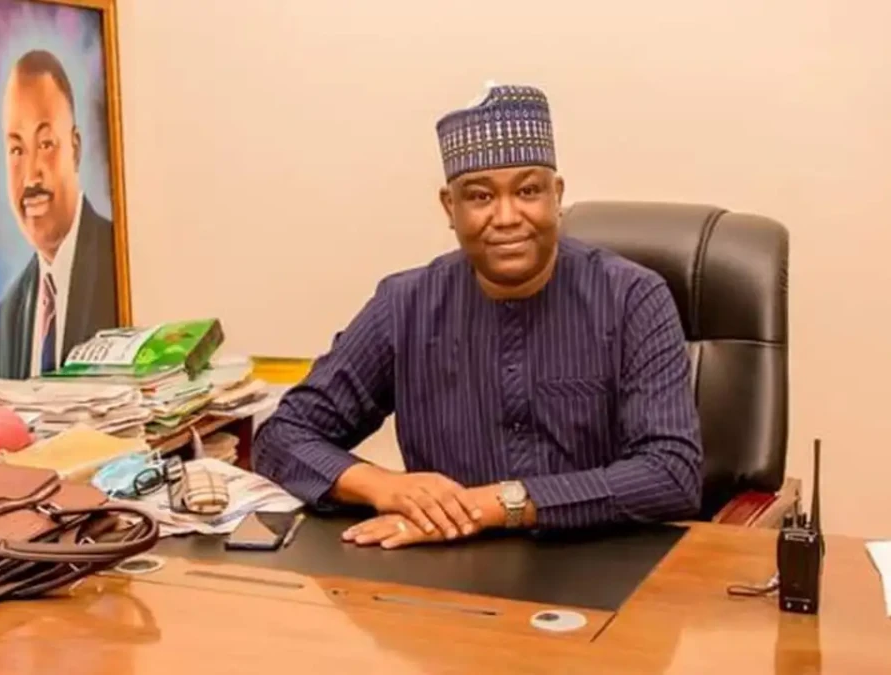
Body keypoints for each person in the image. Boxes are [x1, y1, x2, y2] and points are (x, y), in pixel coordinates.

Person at [252, 84, 703, 548]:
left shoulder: (632, 297)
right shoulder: (404, 306)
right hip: (448, 564)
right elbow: (283, 436)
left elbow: (671, 473)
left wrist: (490, 506)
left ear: (556, 196)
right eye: (480, 197)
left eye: (528, 191)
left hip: (603, 562)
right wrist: (383, 486)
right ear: (450, 207)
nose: (506, 217)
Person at [0, 49, 117, 379]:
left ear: (75, 149)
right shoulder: (6, 319)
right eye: (17, 150)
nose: (31, 175)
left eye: (45, 144)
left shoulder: (120, 263)